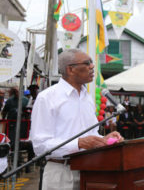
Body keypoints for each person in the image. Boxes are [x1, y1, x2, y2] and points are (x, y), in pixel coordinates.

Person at [30, 49, 123, 190]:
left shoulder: (87, 98)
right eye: (87, 63)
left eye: (91, 63)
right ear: (70, 69)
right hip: (60, 171)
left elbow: (91, 136)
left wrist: (104, 140)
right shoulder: (47, 98)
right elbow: (40, 146)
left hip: (89, 170)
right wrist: (78, 144)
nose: (92, 67)